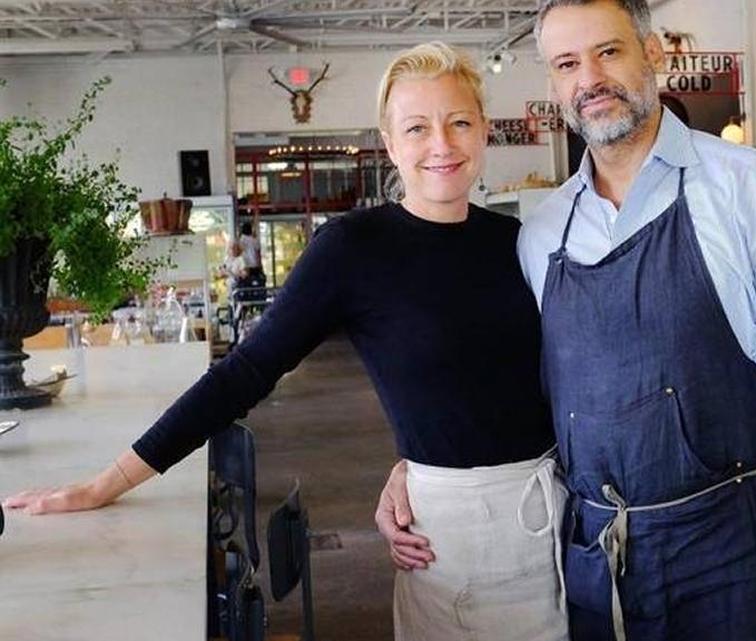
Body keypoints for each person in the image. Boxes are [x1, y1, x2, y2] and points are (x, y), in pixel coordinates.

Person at [3, 42, 568, 641]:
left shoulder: (522, 242)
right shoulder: (354, 249)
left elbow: (547, 382)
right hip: (450, 548)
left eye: (459, 122)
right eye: (417, 127)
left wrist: (412, 457)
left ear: (483, 128)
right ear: (389, 141)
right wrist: (106, 482)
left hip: (558, 523)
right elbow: (244, 372)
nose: (442, 144)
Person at [377, 2, 756, 640]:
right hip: (596, 567)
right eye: (568, 64)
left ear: (652, 54)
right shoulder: (543, 232)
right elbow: (515, 388)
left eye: (609, 52)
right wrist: (419, 461)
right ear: (554, 85)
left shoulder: (752, 189)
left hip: (734, 559)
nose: (590, 78)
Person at [237, 221, 266, 288]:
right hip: (255, 265)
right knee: (256, 284)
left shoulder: (241, 240)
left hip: (245, 266)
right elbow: (258, 254)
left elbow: (239, 253)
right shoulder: (255, 240)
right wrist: (260, 265)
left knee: (246, 285)